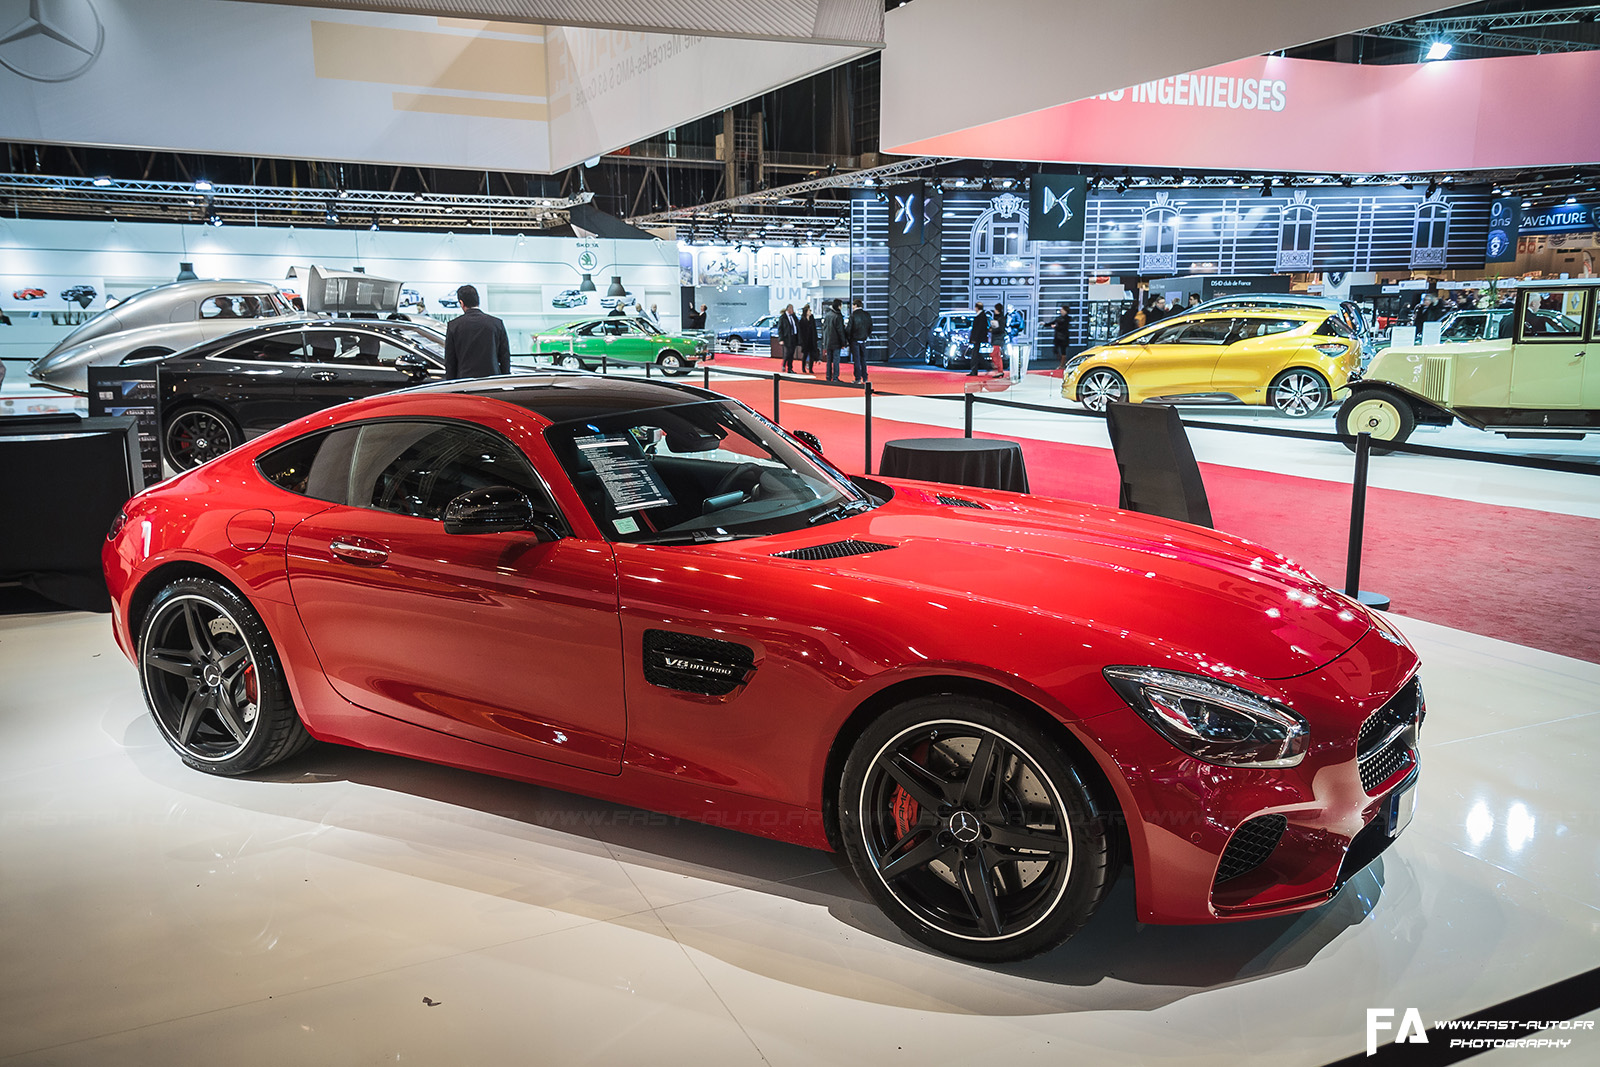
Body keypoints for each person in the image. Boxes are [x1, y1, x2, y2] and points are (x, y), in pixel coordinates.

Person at [443, 284, 510, 380]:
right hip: (492, 381)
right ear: (478, 301)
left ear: (461, 303)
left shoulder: (453, 326)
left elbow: (450, 362)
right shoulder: (496, 323)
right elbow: (505, 357)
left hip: (465, 382)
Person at [847, 297, 873, 385]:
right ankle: (865, 377)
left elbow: (849, 329)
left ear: (855, 305)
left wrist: (848, 339)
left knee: (856, 360)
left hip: (855, 340)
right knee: (863, 359)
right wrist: (866, 335)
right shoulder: (867, 315)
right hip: (863, 340)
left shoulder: (853, 315)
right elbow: (870, 327)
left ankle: (857, 378)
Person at [822, 298, 848, 382]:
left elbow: (825, 328)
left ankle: (828, 377)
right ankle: (835, 377)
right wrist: (843, 342)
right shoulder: (838, 316)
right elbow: (840, 330)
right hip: (836, 342)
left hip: (828, 341)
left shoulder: (828, 315)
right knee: (836, 360)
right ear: (839, 306)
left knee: (829, 360)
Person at [1044, 303, 1072, 372]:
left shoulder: (1067, 318)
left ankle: (1062, 365)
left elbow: (1064, 327)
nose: (1060, 311)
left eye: (1062, 310)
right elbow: (1052, 322)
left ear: (1065, 311)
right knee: (1055, 350)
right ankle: (1062, 362)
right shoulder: (1059, 318)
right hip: (1057, 337)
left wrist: (1056, 326)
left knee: (1063, 351)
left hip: (1064, 337)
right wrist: (1045, 324)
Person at [966, 300, 990, 376]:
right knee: (976, 354)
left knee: (975, 355)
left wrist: (974, 339)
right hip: (978, 339)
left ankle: (976, 370)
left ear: (977, 308)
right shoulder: (981, 316)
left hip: (977, 339)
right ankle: (985, 367)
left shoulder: (981, 317)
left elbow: (979, 329)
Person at [777, 303, 800, 373]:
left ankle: (788, 367)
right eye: (791, 309)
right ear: (788, 309)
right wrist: (781, 339)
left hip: (794, 336)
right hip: (787, 337)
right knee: (788, 352)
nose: (793, 310)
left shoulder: (794, 317)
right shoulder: (783, 317)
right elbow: (780, 329)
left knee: (792, 353)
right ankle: (787, 366)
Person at [799, 304, 819, 373]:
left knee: (812, 355)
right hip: (805, 340)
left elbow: (814, 328)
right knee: (805, 354)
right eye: (809, 311)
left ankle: (811, 368)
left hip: (812, 339)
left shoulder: (812, 318)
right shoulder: (802, 320)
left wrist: (816, 338)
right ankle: (803, 368)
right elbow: (801, 331)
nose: (810, 312)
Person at [989, 302, 1007, 376]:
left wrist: (992, 330)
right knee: (996, 355)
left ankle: (999, 369)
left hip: (998, 339)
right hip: (996, 339)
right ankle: (999, 370)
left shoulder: (1001, 319)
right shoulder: (997, 318)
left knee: (995, 355)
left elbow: (1001, 329)